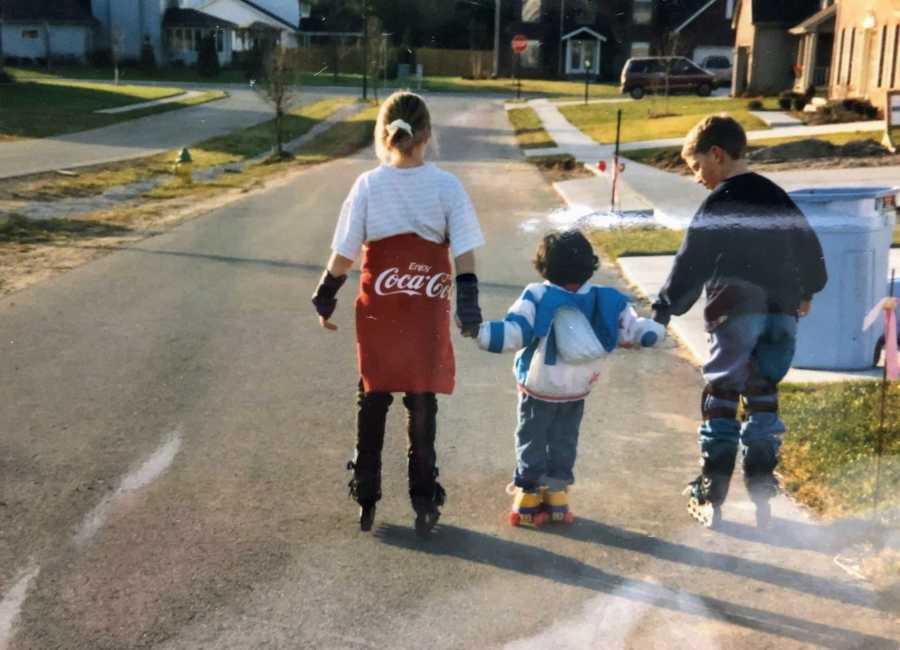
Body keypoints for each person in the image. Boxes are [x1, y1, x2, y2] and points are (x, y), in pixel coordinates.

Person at [312, 91, 485, 538]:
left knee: (372, 397)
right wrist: (468, 307)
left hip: (380, 310)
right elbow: (464, 251)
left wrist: (325, 297)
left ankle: (366, 488)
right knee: (421, 400)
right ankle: (424, 497)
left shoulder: (368, 185)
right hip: (425, 309)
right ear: (427, 134)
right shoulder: (447, 186)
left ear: (383, 134)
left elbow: (344, 254)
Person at [651, 114, 827, 529]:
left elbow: (692, 260)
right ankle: (763, 493)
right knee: (763, 390)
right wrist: (809, 290)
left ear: (716, 154)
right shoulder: (776, 195)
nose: (696, 178)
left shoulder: (721, 201)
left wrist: (664, 308)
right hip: (782, 309)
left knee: (724, 393)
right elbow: (808, 244)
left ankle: (712, 494)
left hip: (736, 306)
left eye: (696, 167)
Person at [475, 230, 665, 526]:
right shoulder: (605, 298)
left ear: (544, 267)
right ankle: (557, 497)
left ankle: (527, 499)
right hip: (578, 387)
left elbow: (517, 330)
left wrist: (484, 334)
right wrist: (648, 333)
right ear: (590, 265)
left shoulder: (537, 295)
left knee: (532, 438)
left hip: (540, 385)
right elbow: (632, 327)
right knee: (565, 438)